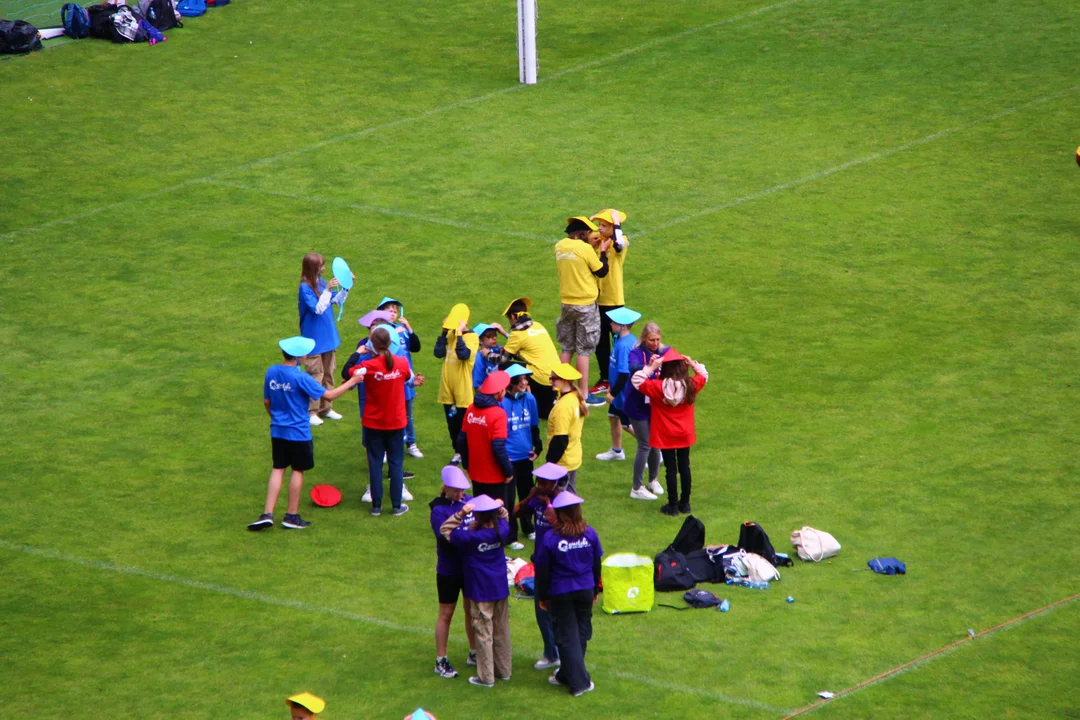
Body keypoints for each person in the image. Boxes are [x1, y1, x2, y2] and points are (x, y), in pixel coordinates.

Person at [249, 337, 365, 531]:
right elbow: (329, 395)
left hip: (277, 430)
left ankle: (267, 513)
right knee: (297, 470)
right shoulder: (301, 378)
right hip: (299, 433)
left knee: (278, 468)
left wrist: (275, 418)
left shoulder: (272, 371)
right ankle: (291, 516)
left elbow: (267, 402)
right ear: (298, 356)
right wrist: (353, 381)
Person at [440, 494, 512, 688]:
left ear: (478, 515)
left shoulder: (469, 537)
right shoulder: (502, 530)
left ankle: (486, 677)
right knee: (501, 630)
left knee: (483, 633)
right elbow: (505, 517)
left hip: (480, 590)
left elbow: (445, 529)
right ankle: (504, 670)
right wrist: (498, 506)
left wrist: (462, 512)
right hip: (500, 588)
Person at [343, 312, 416, 503]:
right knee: (396, 463)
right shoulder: (400, 363)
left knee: (375, 463)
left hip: (373, 422)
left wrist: (357, 353)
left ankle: (375, 505)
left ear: (371, 344)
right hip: (396, 422)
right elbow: (409, 378)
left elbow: (346, 372)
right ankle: (397, 504)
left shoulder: (367, 366)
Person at [535, 491, 602, 697]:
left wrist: (543, 596)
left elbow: (543, 570)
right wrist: (595, 589)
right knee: (580, 632)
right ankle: (565, 674)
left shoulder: (551, 539)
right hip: (585, 590)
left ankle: (579, 683)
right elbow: (596, 563)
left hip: (561, 592)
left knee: (566, 636)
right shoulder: (590, 534)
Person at [631, 348, 709, 515]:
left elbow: (636, 380)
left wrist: (651, 368)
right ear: (682, 367)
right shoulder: (691, 385)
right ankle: (685, 504)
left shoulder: (657, 387)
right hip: (684, 433)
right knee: (684, 466)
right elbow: (704, 375)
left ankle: (672, 506)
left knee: (670, 469)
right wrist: (693, 363)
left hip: (665, 434)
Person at [456, 371, 520, 548]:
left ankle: (480, 541)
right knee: (499, 514)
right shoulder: (498, 414)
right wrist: (508, 472)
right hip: (495, 476)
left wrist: (468, 465)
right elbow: (498, 448)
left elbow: (461, 441)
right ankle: (499, 543)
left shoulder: (470, 409)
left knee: (480, 513)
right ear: (498, 392)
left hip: (476, 472)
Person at [512, 462, 566, 671]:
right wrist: (529, 497)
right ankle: (551, 653)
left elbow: (564, 530)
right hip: (541, 565)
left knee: (557, 612)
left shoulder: (563, 502)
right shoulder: (537, 499)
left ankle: (563, 654)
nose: (541, 485)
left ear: (555, 483)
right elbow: (516, 513)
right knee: (541, 611)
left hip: (558, 567)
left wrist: (549, 505)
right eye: (539, 482)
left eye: (545, 482)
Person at [553, 217, 610, 406]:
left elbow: (576, 259)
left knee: (567, 347)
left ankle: (559, 390)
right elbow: (602, 271)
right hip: (585, 304)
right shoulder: (584, 248)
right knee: (583, 350)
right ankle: (584, 395)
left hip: (566, 303)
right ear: (582, 234)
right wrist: (602, 252)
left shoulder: (559, 246)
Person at [429, 465, 478, 679]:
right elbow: (445, 537)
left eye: (463, 490)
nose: (461, 494)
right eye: (457, 491)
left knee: (471, 610)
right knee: (446, 614)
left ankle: (475, 652)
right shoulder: (438, 510)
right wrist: (460, 516)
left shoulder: (467, 502)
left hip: (468, 567)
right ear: (446, 488)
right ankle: (441, 659)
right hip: (449, 570)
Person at [297, 253, 350, 427]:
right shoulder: (304, 288)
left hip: (328, 337)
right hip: (313, 339)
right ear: (313, 268)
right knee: (315, 375)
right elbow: (318, 309)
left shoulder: (320, 281)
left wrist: (346, 287)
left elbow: (335, 300)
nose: (324, 268)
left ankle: (326, 408)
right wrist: (327, 290)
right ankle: (311, 411)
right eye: (321, 266)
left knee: (328, 373)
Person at [488, 297, 560, 419]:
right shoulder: (537, 325)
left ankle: (509, 400)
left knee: (503, 367)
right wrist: (505, 334)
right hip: (554, 377)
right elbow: (528, 352)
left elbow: (502, 359)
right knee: (544, 414)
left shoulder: (517, 333)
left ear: (512, 317)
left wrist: (486, 354)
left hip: (540, 377)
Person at [624, 321, 668, 500]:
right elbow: (634, 369)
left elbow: (675, 360)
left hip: (654, 404)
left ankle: (653, 480)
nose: (655, 343)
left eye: (657, 339)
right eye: (651, 340)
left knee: (655, 442)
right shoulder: (636, 353)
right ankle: (636, 487)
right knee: (645, 444)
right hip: (637, 405)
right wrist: (650, 367)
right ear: (643, 338)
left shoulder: (664, 351)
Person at [377, 296, 425, 459]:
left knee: (407, 414)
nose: (393, 313)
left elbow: (416, 347)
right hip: (389, 380)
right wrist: (393, 334)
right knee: (388, 414)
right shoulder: (380, 333)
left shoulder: (402, 330)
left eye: (395, 311)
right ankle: (384, 448)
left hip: (406, 379)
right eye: (389, 310)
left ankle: (411, 443)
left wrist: (409, 329)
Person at [588, 209, 629, 396]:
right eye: (599, 225)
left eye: (604, 225)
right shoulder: (597, 242)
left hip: (614, 300)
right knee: (600, 342)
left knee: (618, 343)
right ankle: (605, 379)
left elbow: (619, 244)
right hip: (596, 300)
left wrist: (617, 225)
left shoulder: (621, 241)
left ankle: (622, 378)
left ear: (613, 227)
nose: (599, 228)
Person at [500, 364, 542, 546]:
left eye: (526, 379)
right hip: (509, 458)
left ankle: (528, 527)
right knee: (508, 499)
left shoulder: (530, 399)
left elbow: (534, 425)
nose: (525, 383)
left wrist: (538, 446)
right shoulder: (501, 402)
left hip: (525, 457)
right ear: (511, 383)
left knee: (527, 494)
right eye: (521, 380)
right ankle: (510, 536)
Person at [595, 306, 641, 467]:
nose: (610, 324)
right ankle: (616, 451)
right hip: (619, 390)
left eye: (613, 322)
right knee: (613, 417)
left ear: (622, 325)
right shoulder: (625, 340)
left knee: (628, 424)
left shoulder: (623, 346)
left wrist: (613, 393)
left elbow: (623, 374)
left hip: (623, 393)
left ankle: (655, 449)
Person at [434, 303, 479, 464]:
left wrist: (459, 334)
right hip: (447, 390)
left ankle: (466, 452)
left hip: (462, 391)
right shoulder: (450, 335)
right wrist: (444, 333)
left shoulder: (473, 337)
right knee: (452, 424)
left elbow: (463, 355)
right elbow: (438, 353)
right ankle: (457, 452)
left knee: (463, 425)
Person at [545, 363, 587, 495]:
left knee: (559, 501)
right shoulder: (575, 398)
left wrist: (550, 462)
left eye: (554, 378)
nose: (551, 381)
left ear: (564, 380)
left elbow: (560, 439)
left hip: (562, 461)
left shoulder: (563, 406)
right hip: (573, 456)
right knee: (570, 496)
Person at [471, 324, 502, 390]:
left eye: (495, 335)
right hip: (488, 395)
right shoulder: (478, 358)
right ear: (480, 341)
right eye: (489, 336)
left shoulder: (498, 349)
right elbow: (477, 386)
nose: (494, 338)